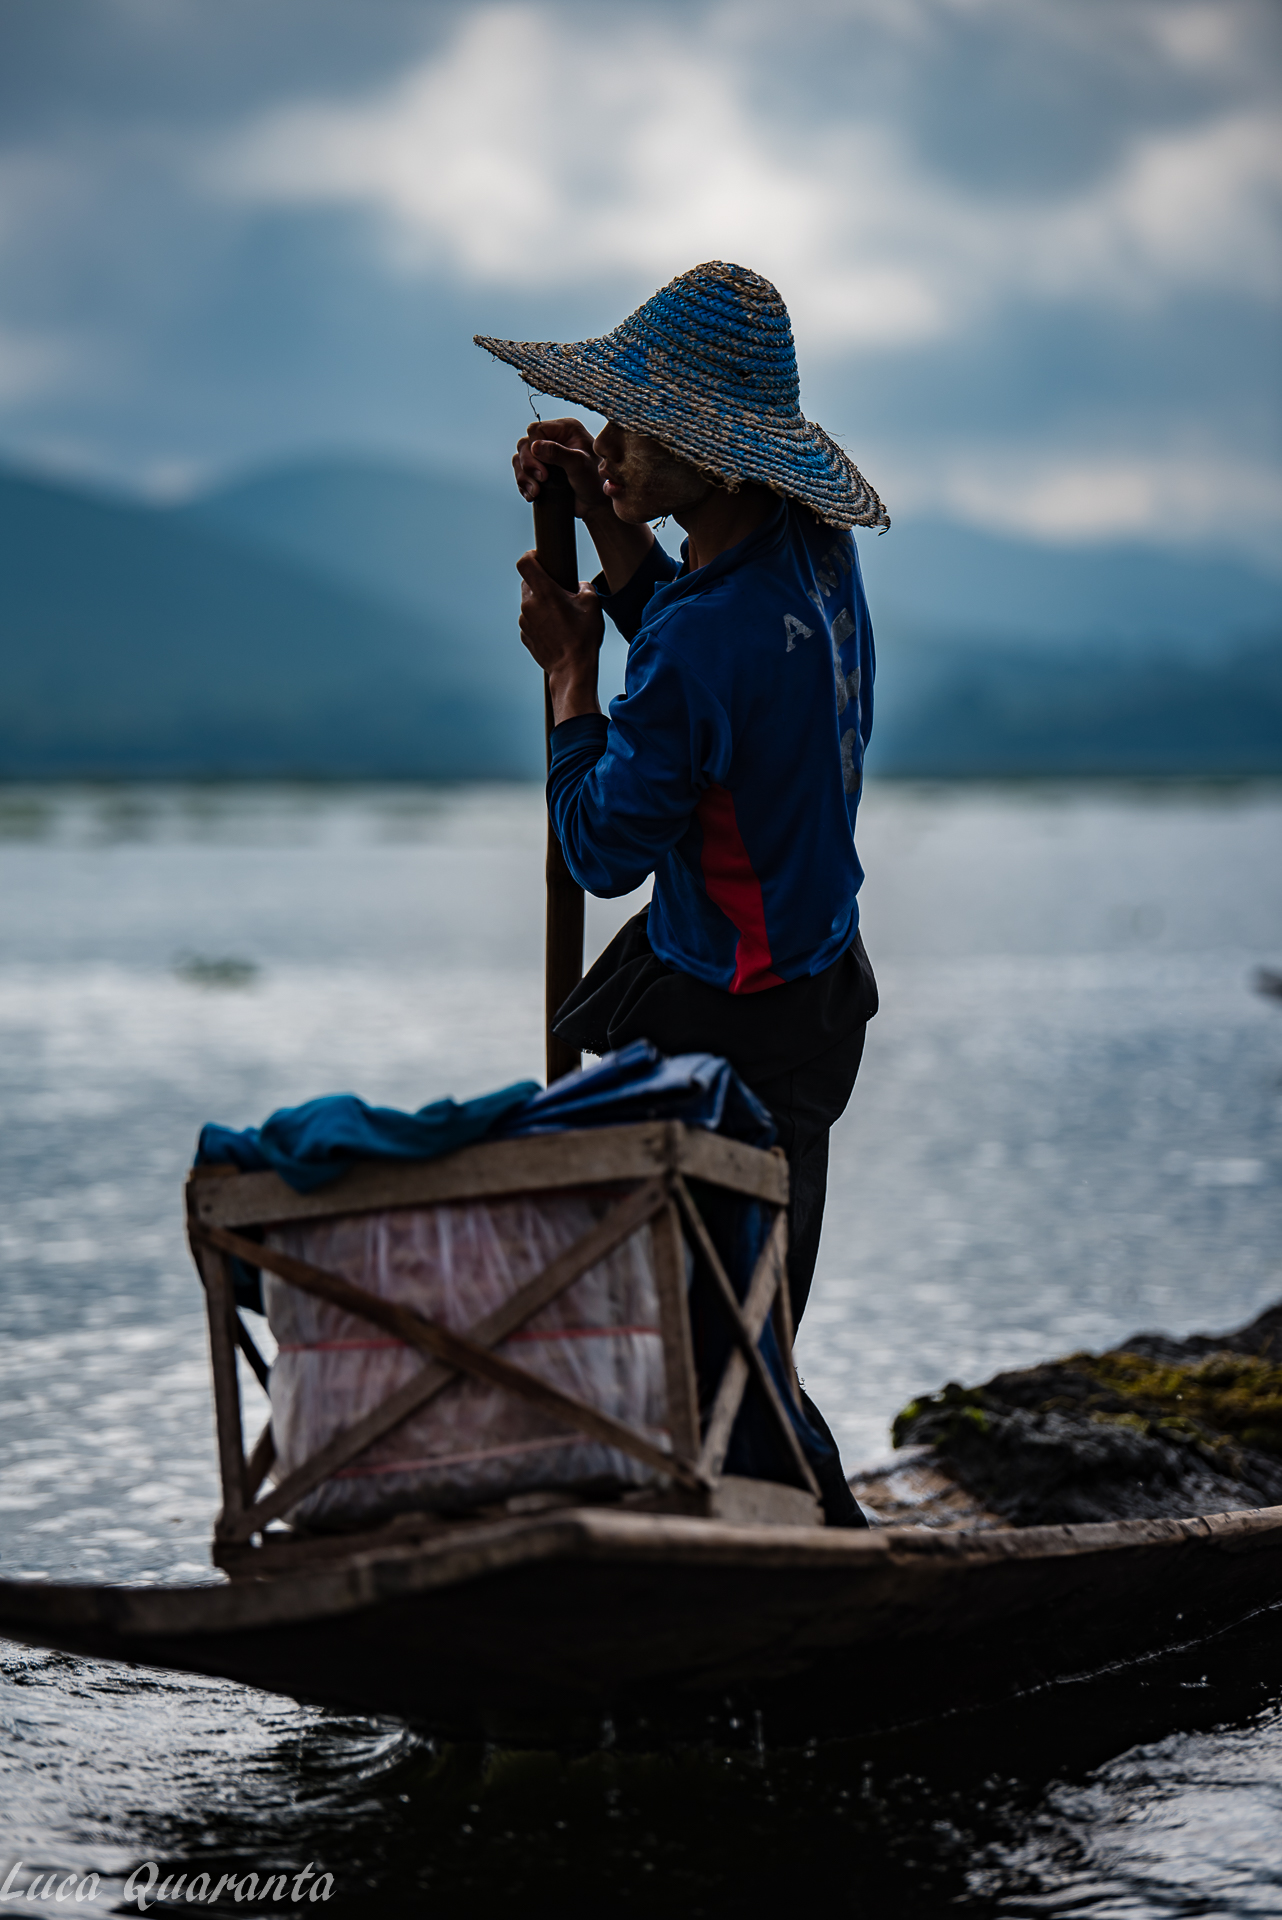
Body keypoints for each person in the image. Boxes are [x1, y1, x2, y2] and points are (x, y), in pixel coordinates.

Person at [474, 260, 887, 1526]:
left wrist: (566, 675)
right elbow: (703, 647)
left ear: (714, 463)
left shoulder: (697, 645)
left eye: (636, 428)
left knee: (720, 1350)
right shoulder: (804, 556)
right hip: (815, 997)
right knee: (744, 1331)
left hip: (736, 1029)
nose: (609, 442)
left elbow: (602, 848)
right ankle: (778, 1525)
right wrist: (611, 520)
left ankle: (805, 1544)